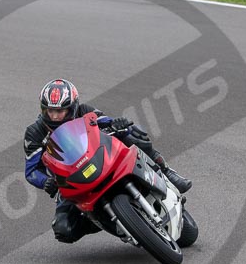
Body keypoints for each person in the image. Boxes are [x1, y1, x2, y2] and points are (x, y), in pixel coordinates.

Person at [24, 78, 192, 244]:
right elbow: (31, 171)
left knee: (132, 132)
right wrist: (47, 182)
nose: (54, 117)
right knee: (63, 229)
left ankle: (165, 171)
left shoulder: (84, 111)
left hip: (99, 159)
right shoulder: (34, 133)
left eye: (60, 111)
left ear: (72, 107)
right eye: (49, 111)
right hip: (68, 182)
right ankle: (101, 220)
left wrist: (117, 123)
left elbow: (105, 122)